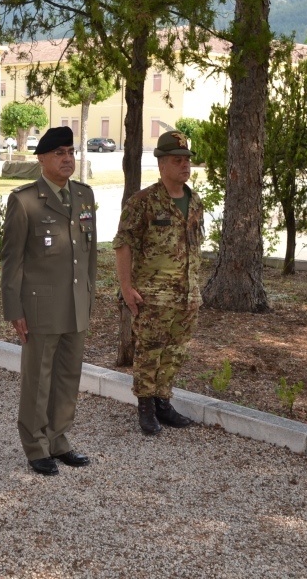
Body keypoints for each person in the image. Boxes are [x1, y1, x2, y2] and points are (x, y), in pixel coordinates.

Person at [1, 126, 97, 476]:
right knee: (38, 379)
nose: (67, 158)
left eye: (70, 152)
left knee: (68, 376)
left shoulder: (83, 195)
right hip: (40, 306)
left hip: (75, 302)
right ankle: (35, 445)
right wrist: (14, 309)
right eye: (59, 153)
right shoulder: (25, 200)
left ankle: (59, 439)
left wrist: (89, 295)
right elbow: (12, 261)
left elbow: (89, 255)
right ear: (41, 159)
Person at [113, 131, 205, 435]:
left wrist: (195, 289)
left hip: (187, 295)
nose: (185, 166)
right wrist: (126, 288)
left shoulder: (195, 201)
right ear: (162, 164)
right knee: (149, 351)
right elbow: (123, 244)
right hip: (153, 295)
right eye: (177, 161)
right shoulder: (143, 202)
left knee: (175, 351)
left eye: (187, 160)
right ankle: (146, 407)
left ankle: (163, 402)